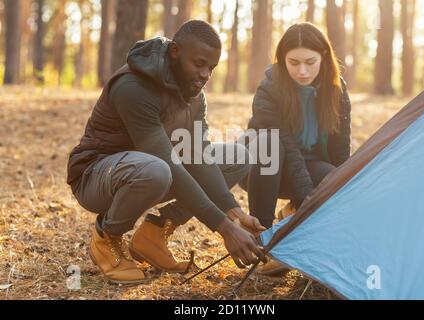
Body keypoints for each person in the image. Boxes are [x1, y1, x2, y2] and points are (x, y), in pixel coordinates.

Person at [67, 20, 266, 285]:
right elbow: (167, 163)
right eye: (199, 64)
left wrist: (234, 212)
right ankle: (107, 237)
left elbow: (200, 158)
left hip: (149, 171)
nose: (206, 74)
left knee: (237, 158)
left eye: (212, 68)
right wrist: (223, 228)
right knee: (157, 170)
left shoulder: (194, 95)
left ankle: (154, 235)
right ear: (175, 52)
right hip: (96, 175)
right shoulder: (133, 87)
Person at [240, 22, 352, 276]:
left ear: (324, 57)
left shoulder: (336, 88)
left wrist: (341, 193)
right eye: (294, 62)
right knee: (271, 144)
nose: (302, 71)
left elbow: (340, 151)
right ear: (282, 60)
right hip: (263, 168)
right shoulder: (269, 89)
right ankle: (262, 236)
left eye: (310, 62)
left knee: (333, 176)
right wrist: (308, 203)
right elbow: (287, 151)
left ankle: (292, 214)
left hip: (306, 167)